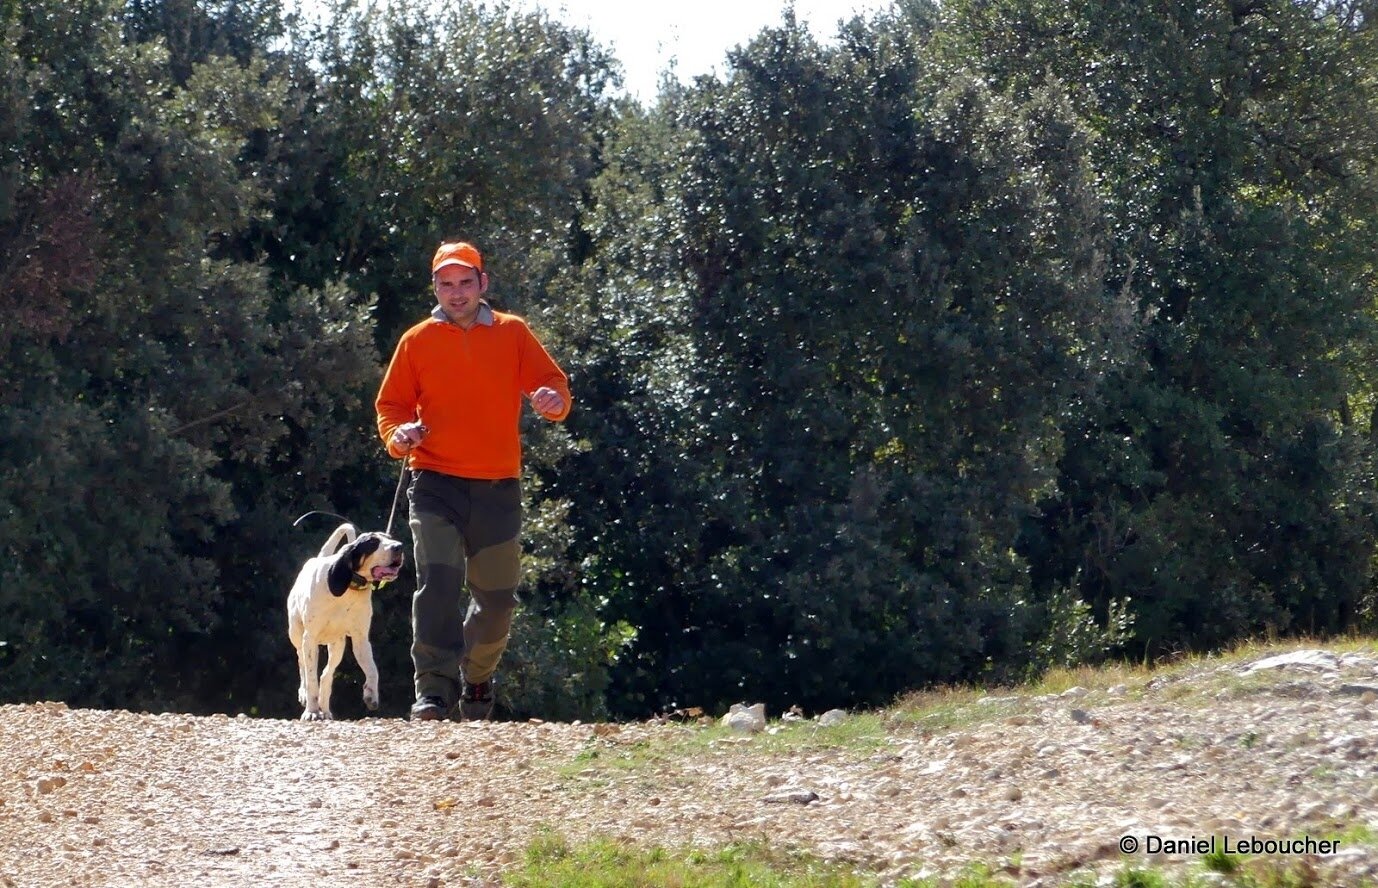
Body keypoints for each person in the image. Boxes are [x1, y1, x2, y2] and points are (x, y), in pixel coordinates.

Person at [376, 240, 571, 721]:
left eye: (466, 283)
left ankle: (478, 677)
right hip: (434, 481)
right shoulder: (417, 340)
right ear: (435, 287)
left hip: (497, 487)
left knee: (497, 602)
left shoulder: (513, 333)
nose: (457, 293)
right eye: (447, 284)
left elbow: (555, 390)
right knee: (437, 584)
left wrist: (552, 402)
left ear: (483, 284)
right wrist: (399, 437)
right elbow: (391, 408)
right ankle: (434, 692)